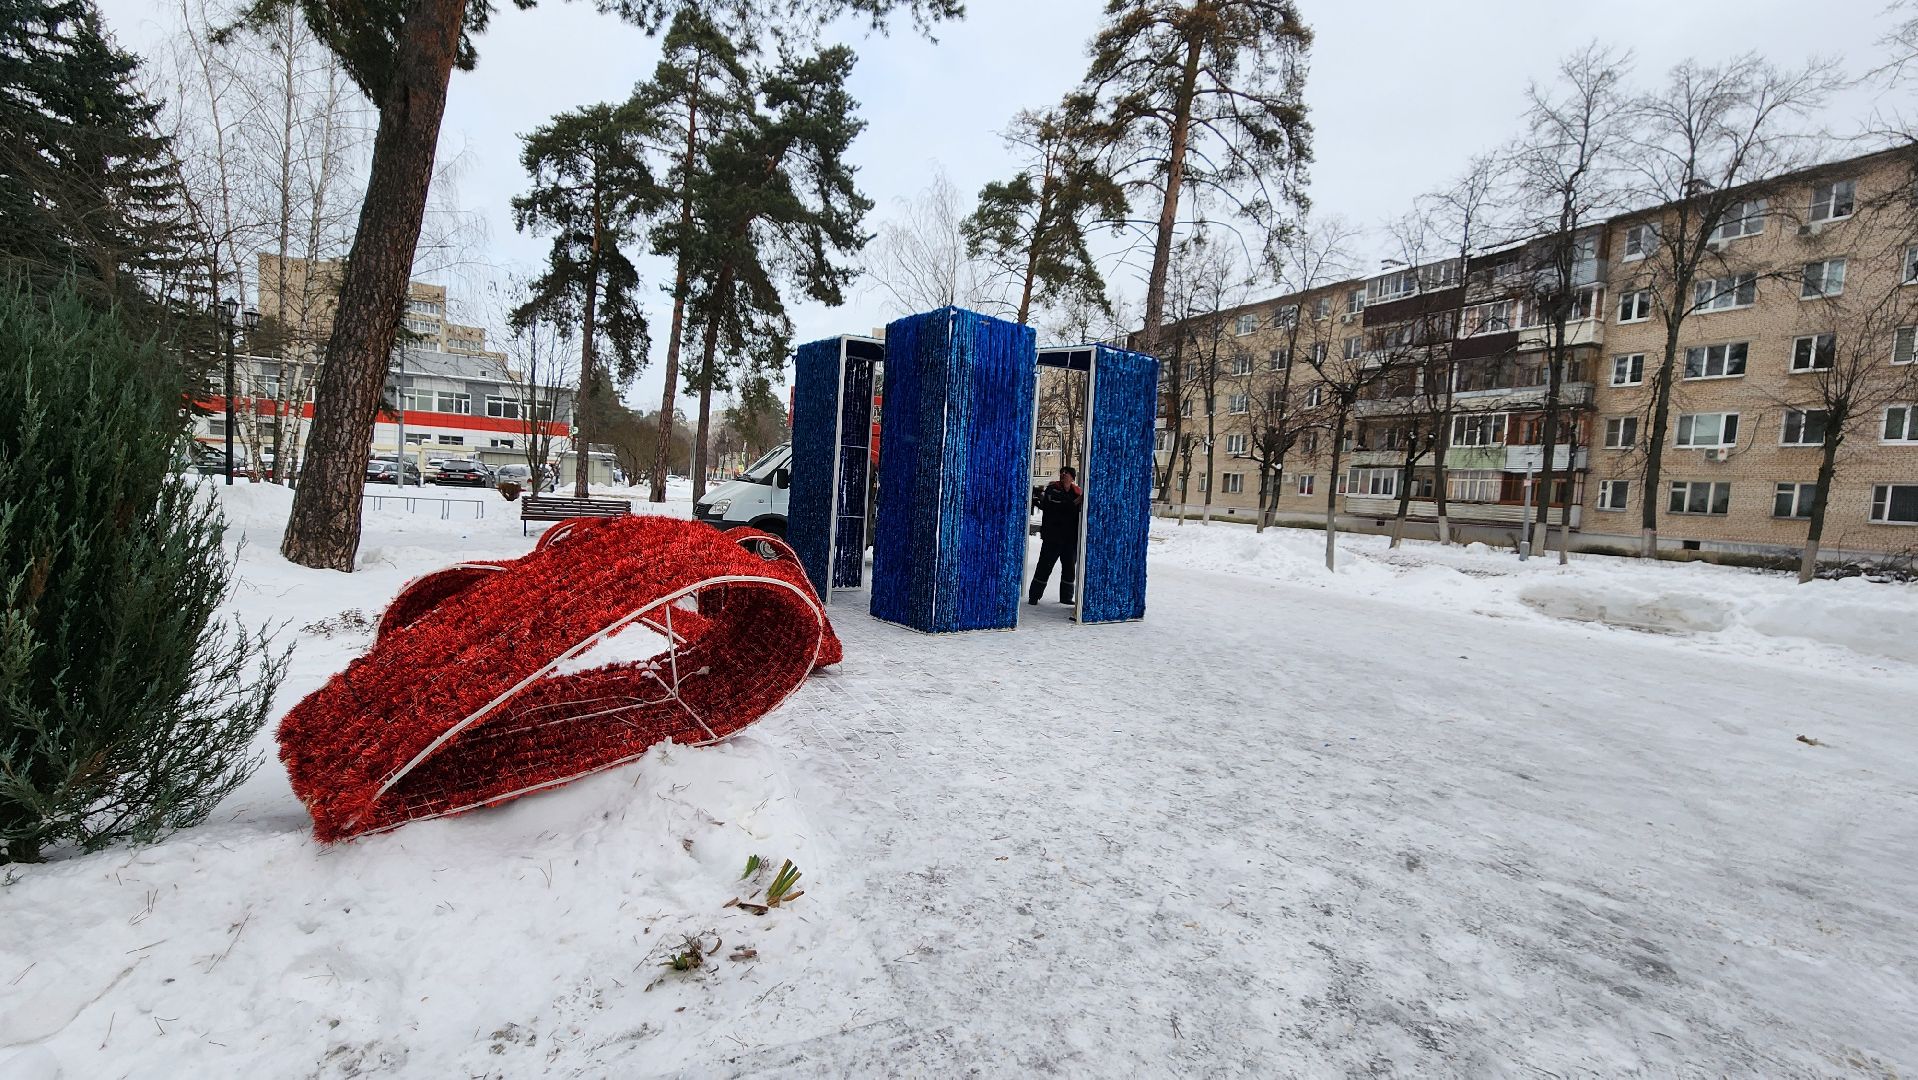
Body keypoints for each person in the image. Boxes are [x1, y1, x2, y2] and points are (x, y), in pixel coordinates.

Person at [1029, 465, 1083, 605]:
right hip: (1053, 537)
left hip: (1070, 538)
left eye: (1066, 473)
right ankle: (1034, 596)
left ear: (1072, 477)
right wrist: (1076, 503)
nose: (1063, 474)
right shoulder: (1052, 490)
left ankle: (1066, 597)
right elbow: (1059, 506)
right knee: (1044, 566)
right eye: (1061, 472)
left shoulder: (1077, 492)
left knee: (1069, 568)